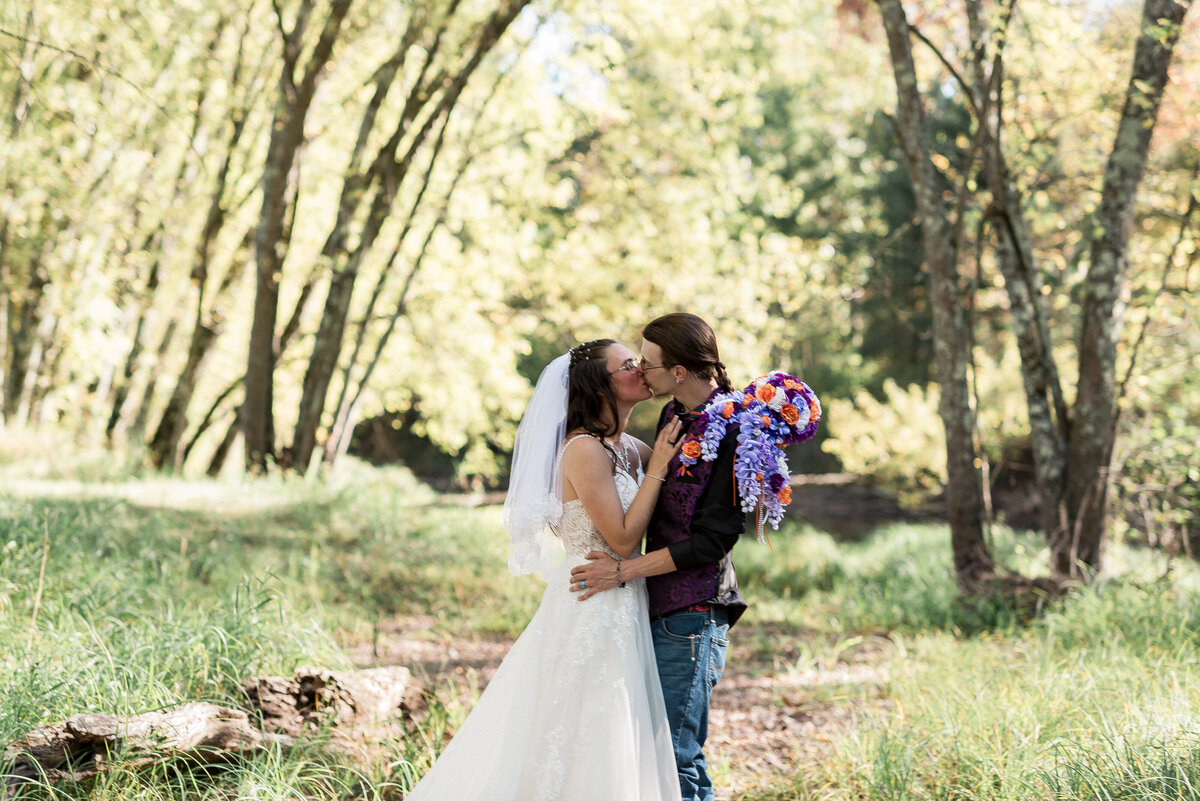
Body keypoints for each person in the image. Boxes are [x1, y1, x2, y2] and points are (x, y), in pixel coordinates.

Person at [402, 339, 684, 801]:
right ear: (598, 386)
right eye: (627, 364)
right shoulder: (583, 450)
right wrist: (660, 468)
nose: (641, 368)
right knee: (584, 726)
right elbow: (622, 539)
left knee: (615, 728)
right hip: (590, 604)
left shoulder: (634, 448)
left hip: (628, 598)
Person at [570, 313, 746, 801]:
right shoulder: (671, 416)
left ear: (680, 371)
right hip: (646, 609)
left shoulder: (738, 432)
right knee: (646, 755)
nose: (640, 371)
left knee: (675, 756)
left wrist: (623, 570)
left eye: (646, 363)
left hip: (692, 610)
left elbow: (712, 543)